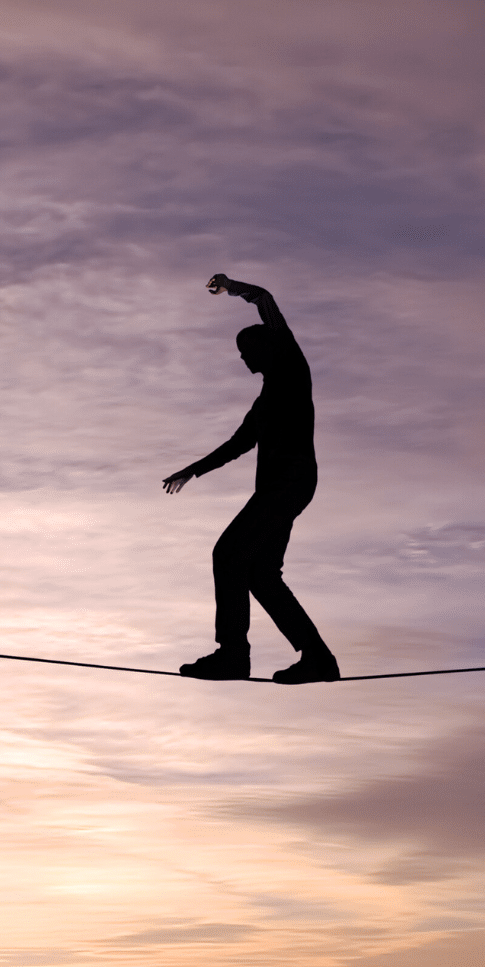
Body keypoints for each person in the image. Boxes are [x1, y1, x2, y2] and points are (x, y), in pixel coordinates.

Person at [163, 275, 340, 684]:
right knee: (260, 574)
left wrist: (231, 286)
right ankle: (318, 659)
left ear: (266, 345)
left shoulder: (293, 369)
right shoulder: (263, 404)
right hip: (283, 487)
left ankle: (232, 654)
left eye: (247, 350)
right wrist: (192, 470)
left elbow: (267, 302)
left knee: (228, 554)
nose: (243, 359)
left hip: (290, 482)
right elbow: (236, 444)